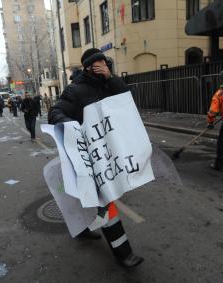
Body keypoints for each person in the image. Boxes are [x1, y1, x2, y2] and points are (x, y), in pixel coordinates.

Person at [48, 48, 144, 268]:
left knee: (84, 199)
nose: (104, 66)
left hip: (108, 154)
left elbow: (127, 101)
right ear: (90, 67)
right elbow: (55, 112)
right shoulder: (75, 90)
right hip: (87, 157)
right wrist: (69, 123)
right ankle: (124, 254)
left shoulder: (110, 85)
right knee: (104, 200)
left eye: (105, 63)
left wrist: (111, 78)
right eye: (99, 64)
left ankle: (81, 229)